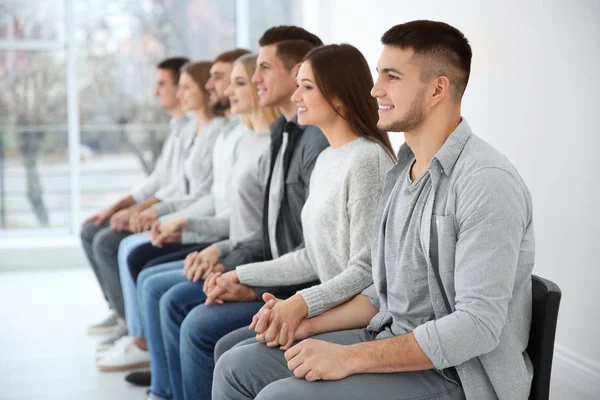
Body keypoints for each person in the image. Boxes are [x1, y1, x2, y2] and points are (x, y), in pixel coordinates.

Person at [213, 20, 535, 400]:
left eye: (392, 76)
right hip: (388, 334)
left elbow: (477, 326)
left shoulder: (485, 181)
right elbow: (382, 295)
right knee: (235, 366)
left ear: (437, 88)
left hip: (457, 375)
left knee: (278, 396)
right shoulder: (403, 170)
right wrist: (308, 323)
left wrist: (349, 359)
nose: (374, 89)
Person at [149, 26, 329, 400]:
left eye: (261, 69)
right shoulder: (283, 135)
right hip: (275, 271)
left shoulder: (314, 142)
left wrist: (240, 271)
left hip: (295, 282)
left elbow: (311, 257)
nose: (253, 80)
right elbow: (263, 233)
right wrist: (226, 261)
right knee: (168, 292)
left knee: (194, 318)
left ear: (297, 71)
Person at [81, 56, 193, 336]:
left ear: (181, 86)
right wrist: (117, 207)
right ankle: (118, 310)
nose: (156, 91)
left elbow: (179, 188)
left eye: (162, 84)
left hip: (176, 212)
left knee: (107, 241)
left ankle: (129, 325)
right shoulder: (177, 126)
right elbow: (157, 179)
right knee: (90, 229)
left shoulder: (194, 128)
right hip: (164, 206)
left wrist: (139, 211)